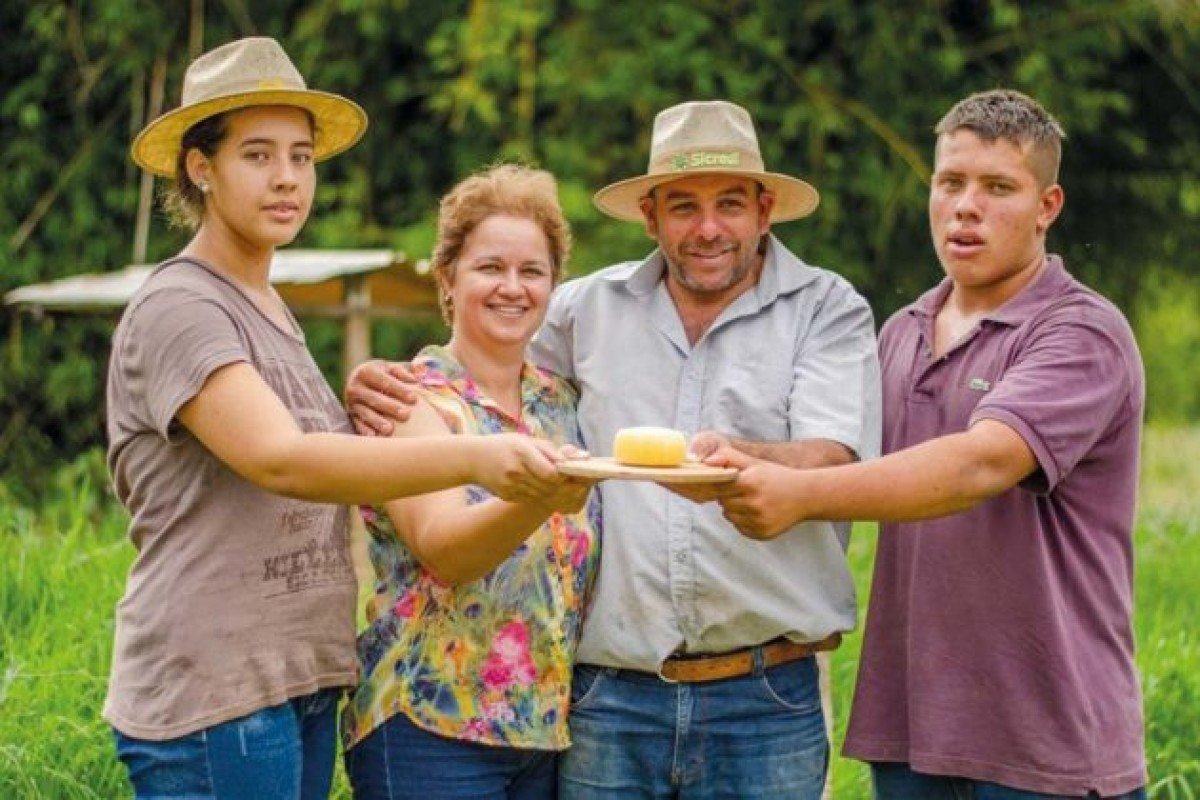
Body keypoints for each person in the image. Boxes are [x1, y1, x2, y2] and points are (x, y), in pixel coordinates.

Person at [347, 100, 882, 799]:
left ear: (765, 209)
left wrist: (742, 459)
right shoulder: (585, 309)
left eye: (730, 204)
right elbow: (481, 359)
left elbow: (834, 458)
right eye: (683, 206)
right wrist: (380, 379)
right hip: (610, 701)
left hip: (763, 699)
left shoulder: (825, 308)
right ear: (651, 216)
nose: (709, 228)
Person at [106, 38, 573, 800]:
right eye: (257, 155)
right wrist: (479, 458)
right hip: (217, 690)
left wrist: (351, 393)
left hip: (298, 678)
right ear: (201, 168)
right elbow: (281, 459)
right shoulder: (181, 304)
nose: (287, 178)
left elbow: (299, 442)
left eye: (301, 156)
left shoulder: (266, 307)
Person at [705, 90, 1147, 798]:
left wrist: (799, 495)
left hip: (1048, 744)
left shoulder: (1080, 333)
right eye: (950, 183)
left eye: (998, 187)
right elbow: (864, 464)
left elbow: (980, 462)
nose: (965, 206)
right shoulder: (902, 332)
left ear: (1048, 206)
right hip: (914, 736)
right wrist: (744, 457)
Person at [340, 164, 601, 800]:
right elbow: (446, 548)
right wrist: (537, 499)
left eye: (532, 272)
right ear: (447, 278)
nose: (512, 287)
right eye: (490, 267)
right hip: (428, 724)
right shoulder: (412, 401)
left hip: (539, 731)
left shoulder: (560, 403)